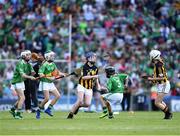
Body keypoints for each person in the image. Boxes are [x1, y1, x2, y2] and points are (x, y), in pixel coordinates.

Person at [67, 52, 100, 119]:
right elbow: (84, 77)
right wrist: (93, 76)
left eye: (95, 57)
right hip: (81, 85)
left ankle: (78, 106)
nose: (95, 59)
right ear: (88, 58)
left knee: (87, 104)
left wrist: (98, 85)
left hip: (89, 87)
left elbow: (96, 78)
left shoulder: (96, 68)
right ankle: (70, 115)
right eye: (93, 57)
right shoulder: (84, 67)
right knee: (80, 100)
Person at [36, 51, 66, 119]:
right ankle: (38, 110)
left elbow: (57, 72)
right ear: (47, 57)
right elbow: (40, 74)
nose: (53, 57)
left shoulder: (53, 64)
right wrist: (50, 77)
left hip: (50, 83)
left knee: (58, 96)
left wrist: (63, 74)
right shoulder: (44, 65)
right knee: (47, 98)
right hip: (44, 83)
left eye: (53, 56)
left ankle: (48, 109)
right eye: (51, 56)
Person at [9, 50, 36, 119]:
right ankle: (18, 114)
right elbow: (23, 75)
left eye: (30, 55)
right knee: (23, 98)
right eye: (27, 55)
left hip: (21, 82)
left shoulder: (28, 64)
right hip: (16, 81)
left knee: (19, 99)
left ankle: (12, 109)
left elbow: (33, 73)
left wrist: (33, 73)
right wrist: (30, 77)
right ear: (23, 56)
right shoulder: (20, 63)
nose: (29, 56)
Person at [147, 49, 172, 119]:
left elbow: (162, 78)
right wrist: (151, 77)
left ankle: (168, 114)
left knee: (157, 102)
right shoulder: (158, 64)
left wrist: (151, 79)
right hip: (161, 85)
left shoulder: (158, 65)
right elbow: (158, 77)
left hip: (163, 84)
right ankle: (168, 113)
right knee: (159, 101)